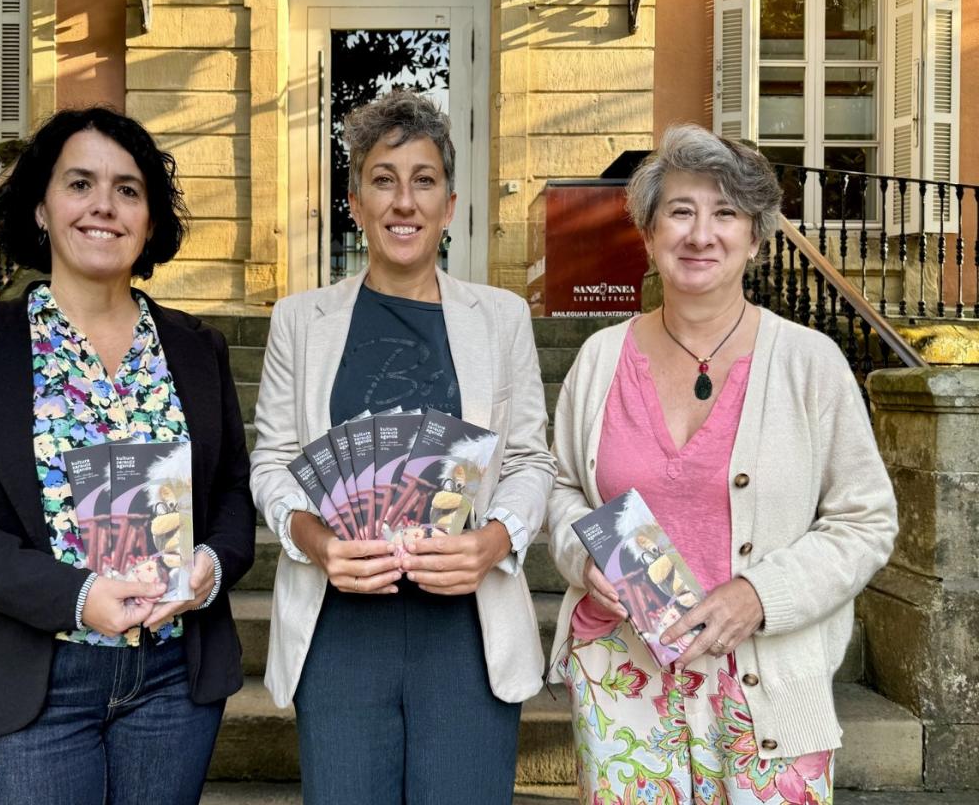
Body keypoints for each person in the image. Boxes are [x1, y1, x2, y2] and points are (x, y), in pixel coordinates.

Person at [0, 106, 255, 805]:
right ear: (40, 206)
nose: (104, 206)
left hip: (173, 681)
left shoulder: (195, 348)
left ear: (150, 220)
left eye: (128, 189)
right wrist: (77, 597)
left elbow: (235, 496)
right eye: (80, 183)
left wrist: (209, 568)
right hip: (33, 681)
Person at [546, 124, 898, 804]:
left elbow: (867, 519)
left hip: (768, 680)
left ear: (756, 239)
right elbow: (562, 488)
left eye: (726, 213)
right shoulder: (600, 360)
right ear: (649, 235)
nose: (700, 234)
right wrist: (581, 559)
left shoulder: (808, 363)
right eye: (680, 211)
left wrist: (760, 595)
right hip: (624, 675)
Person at [249, 89, 556, 804]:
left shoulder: (502, 319)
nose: (403, 201)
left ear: (449, 206)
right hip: (343, 626)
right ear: (355, 203)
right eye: (383, 180)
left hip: (467, 627)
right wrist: (316, 540)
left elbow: (530, 461)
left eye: (423, 181)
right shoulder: (301, 322)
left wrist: (495, 540)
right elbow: (271, 461)